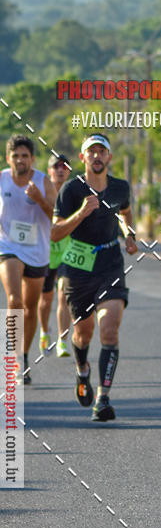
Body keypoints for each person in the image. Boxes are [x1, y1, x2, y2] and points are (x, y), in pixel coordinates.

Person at [51, 134, 137, 422]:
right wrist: (82, 212)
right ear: (83, 157)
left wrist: (129, 235)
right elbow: (55, 233)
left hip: (111, 263)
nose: (97, 156)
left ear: (109, 157)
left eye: (102, 151)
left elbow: (125, 212)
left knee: (109, 330)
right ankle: (82, 370)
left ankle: (103, 398)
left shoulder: (120, 187)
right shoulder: (71, 190)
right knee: (82, 333)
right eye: (92, 152)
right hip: (79, 267)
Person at [0, 135, 56, 384]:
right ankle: (13, 358)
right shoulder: (1, 179)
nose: (20, 160)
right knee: (15, 300)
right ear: (8, 158)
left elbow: (57, 218)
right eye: (15, 156)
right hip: (7, 245)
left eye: (24, 156)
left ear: (32, 159)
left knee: (30, 308)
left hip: (36, 250)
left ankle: (23, 355)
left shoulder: (43, 182)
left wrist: (40, 199)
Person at [38, 153, 72, 357]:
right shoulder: (41, 191)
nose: (60, 169)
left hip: (67, 252)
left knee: (64, 296)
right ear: (49, 170)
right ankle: (44, 331)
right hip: (45, 252)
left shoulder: (74, 193)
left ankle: (62, 341)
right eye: (56, 166)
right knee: (46, 299)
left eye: (64, 166)